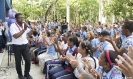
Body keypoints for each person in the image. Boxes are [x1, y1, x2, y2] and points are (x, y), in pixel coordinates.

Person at [10, 13, 33, 79]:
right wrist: (24, 30)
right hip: (16, 46)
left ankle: (27, 74)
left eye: (22, 17)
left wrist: (32, 29)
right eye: (20, 18)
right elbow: (15, 36)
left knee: (28, 60)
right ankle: (20, 75)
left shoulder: (24, 25)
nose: (22, 19)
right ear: (16, 19)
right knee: (18, 61)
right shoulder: (12, 26)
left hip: (25, 45)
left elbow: (29, 34)